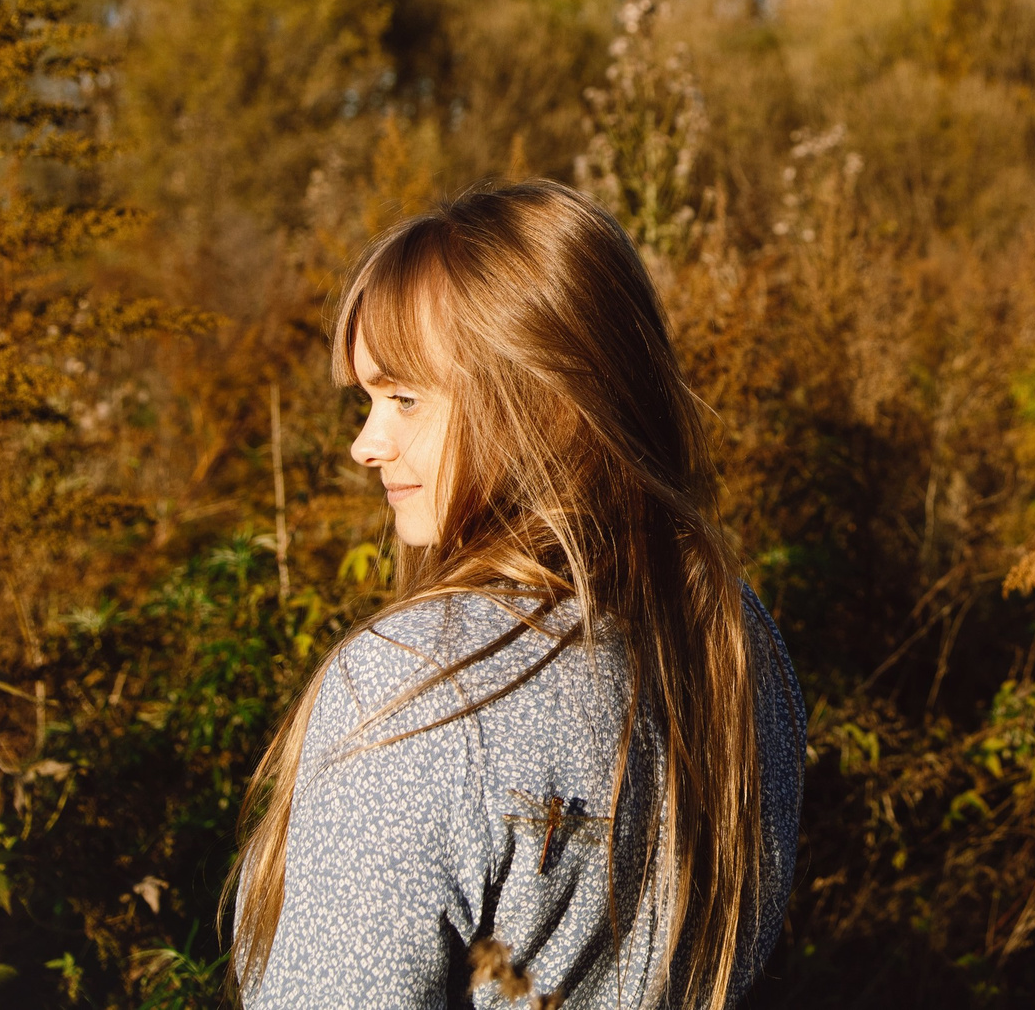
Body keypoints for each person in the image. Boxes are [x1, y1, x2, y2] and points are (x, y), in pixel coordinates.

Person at [229, 181, 803, 1008]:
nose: (365, 442)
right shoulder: (737, 639)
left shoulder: (414, 687)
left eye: (404, 397)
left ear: (542, 400)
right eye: (367, 399)